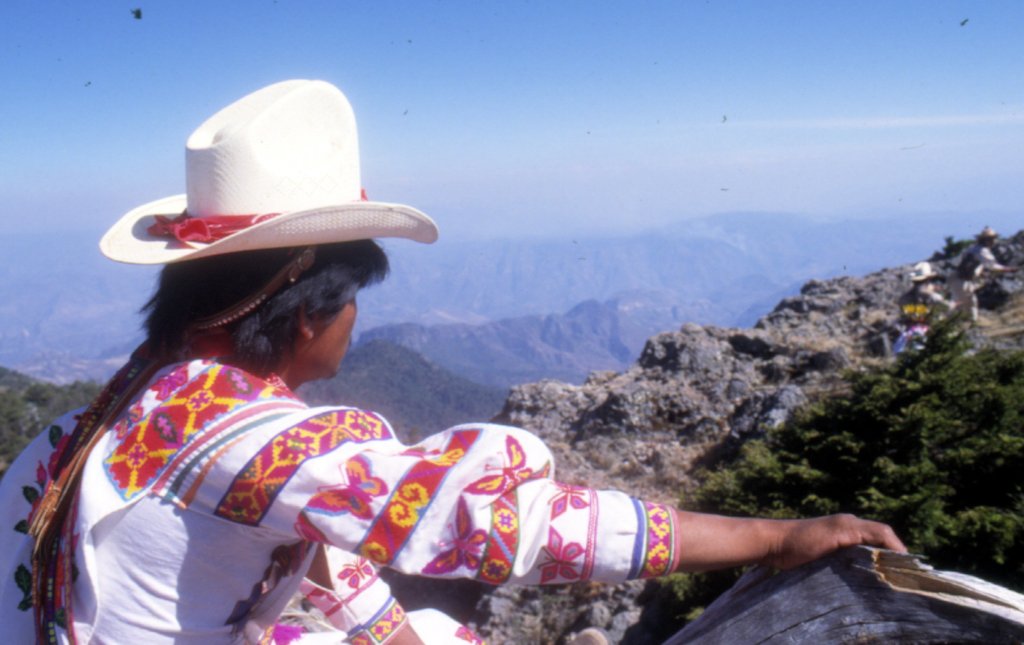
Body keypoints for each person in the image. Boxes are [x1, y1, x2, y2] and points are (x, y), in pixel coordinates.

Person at [0, 80, 905, 644]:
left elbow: (309, 544)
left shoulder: (132, 400)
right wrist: (775, 536)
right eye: (354, 297)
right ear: (305, 304)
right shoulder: (257, 443)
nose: (356, 323)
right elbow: (506, 525)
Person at [948, 227, 1017, 322]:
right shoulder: (982, 251)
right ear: (987, 240)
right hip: (961, 280)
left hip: (959, 279)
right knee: (961, 304)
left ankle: (970, 324)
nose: (994, 241)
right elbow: (992, 265)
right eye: (992, 239)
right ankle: (947, 326)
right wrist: (1008, 269)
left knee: (970, 302)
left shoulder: (973, 248)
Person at [893, 261, 949, 354]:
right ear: (928, 280)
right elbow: (947, 308)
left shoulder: (904, 299)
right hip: (930, 333)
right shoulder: (933, 297)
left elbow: (905, 314)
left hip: (908, 334)